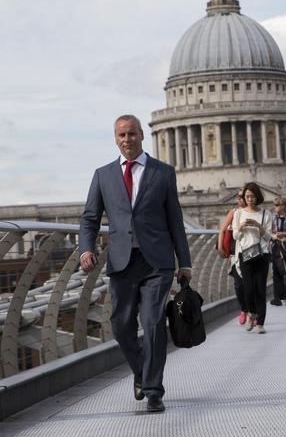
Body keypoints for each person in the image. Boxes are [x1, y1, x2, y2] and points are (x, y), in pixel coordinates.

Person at [79, 114, 191, 413]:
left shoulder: (163, 172)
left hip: (158, 262)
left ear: (142, 135)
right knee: (120, 327)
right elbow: (90, 219)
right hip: (122, 262)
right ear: (115, 139)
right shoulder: (103, 175)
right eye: (121, 135)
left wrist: (185, 262)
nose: (126, 140)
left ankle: (153, 391)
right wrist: (85, 250)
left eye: (131, 134)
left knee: (153, 324)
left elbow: (175, 221)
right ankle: (142, 373)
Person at [232, 182, 272, 334]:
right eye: (247, 196)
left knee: (260, 289)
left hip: (262, 254)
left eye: (252, 196)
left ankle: (260, 323)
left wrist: (257, 225)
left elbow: (268, 237)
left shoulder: (265, 214)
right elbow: (235, 235)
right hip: (245, 254)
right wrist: (241, 227)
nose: (249, 199)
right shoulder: (238, 213)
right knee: (247, 289)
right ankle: (251, 313)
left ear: (257, 197)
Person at [218, 190, 248, 324]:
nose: (240, 199)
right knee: (238, 285)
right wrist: (220, 247)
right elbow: (222, 230)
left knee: (251, 284)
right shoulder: (234, 212)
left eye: (244, 197)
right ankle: (244, 309)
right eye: (239, 197)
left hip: (251, 252)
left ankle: (254, 312)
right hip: (236, 254)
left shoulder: (256, 212)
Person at [270, 197, 286, 306]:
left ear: (283, 206)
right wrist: (275, 236)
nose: (275, 207)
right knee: (276, 271)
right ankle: (277, 298)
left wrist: (284, 235)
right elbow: (268, 232)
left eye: (277, 205)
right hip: (276, 246)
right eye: (275, 205)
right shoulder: (272, 218)